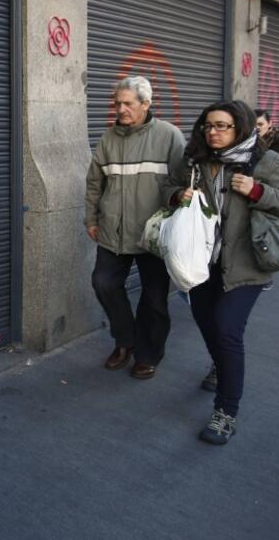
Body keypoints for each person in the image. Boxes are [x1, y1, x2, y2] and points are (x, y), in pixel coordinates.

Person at [164, 101, 279, 445]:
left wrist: (258, 191)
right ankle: (219, 364)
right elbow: (167, 187)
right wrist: (178, 195)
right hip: (199, 262)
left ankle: (226, 412)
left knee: (227, 330)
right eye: (208, 125)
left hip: (246, 264)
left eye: (222, 126)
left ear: (240, 128)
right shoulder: (194, 160)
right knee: (206, 322)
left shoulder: (266, 162)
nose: (213, 132)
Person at [85, 76, 185, 378]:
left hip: (154, 234)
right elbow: (94, 183)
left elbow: (182, 181)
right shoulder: (108, 138)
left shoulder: (169, 136)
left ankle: (148, 354)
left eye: (128, 103)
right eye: (117, 103)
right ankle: (125, 340)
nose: (121, 109)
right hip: (113, 230)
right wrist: (91, 219)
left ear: (146, 104)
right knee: (104, 283)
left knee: (154, 299)